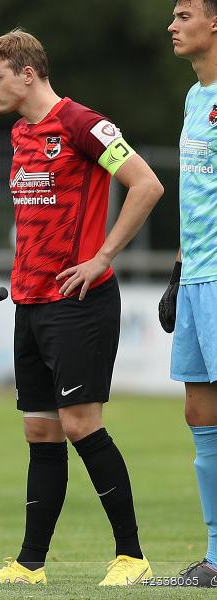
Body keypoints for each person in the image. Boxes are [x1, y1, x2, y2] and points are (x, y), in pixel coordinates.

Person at [0, 29, 164, 586]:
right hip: (30, 301)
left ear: (28, 73)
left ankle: (132, 557)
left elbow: (146, 185)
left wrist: (102, 257)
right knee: (40, 432)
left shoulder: (83, 123)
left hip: (78, 303)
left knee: (81, 425)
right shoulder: (20, 133)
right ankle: (30, 565)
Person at [157, 0, 217, 587]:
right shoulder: (194, 98)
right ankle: (216, 557)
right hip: (196, 273)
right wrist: (178, 272)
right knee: (199, 411)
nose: (172, 26)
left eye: (183, 15)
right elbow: (196, 195)